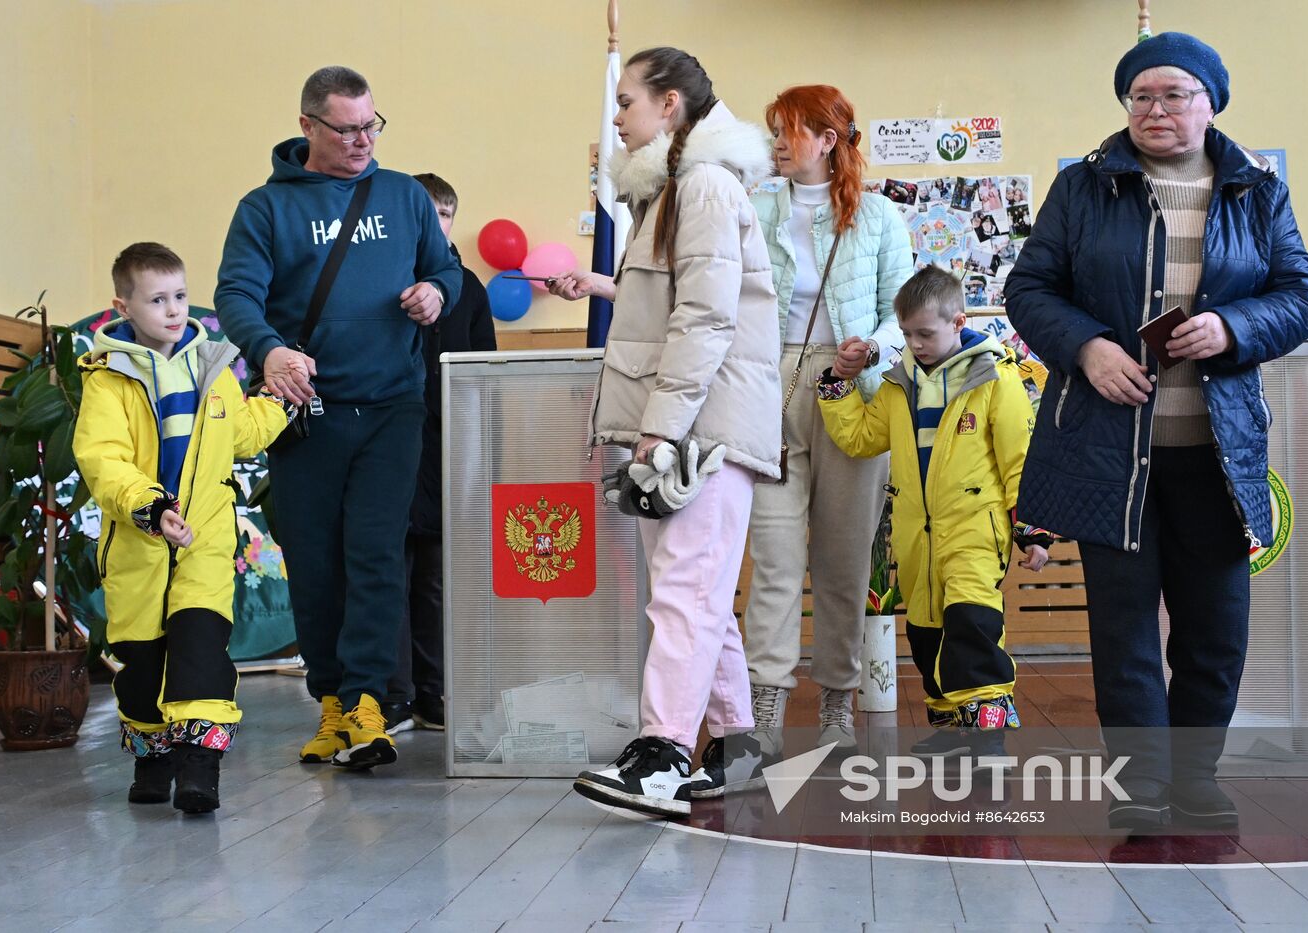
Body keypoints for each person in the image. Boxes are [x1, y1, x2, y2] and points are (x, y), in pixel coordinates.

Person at [1005, 32, 1308, 830]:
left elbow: (1302, 293)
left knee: (1215, 629)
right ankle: (1141, 786)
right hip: (1109, 451)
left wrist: (1233, 327)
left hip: (1219, 454)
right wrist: (1087, 347)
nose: (1155, 109)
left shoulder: (1258, 192)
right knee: (1124, 632)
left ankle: (1196, 779)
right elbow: (1029, 287)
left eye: (1174, 94)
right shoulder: (1082, 187)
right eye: (1141, 96)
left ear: (1211, 101)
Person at [546, 46, 780, 818]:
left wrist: (660, 432)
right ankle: (738, 745)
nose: (616, 118)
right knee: (698, 589)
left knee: (685, 592)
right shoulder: (673, 193)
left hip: (699, 428)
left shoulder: (704, 186)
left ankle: (663, 755)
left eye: (626, 101)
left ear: (670, 105)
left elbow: (706, 319)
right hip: (687, 424)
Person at [215, 65, 463, 771]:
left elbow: (444, 269)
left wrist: (435, 293)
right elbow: (236, 295)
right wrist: (269, 352)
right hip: (307, 412)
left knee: (377, 554)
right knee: (315, 562)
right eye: (347, 129)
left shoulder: (404, 194)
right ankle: (328, 702)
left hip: (392, 406)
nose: (362, 141)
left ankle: (367, 702)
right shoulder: (265, 210)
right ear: (308, 128)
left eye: (371, 125)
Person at [74, 243, 291, 813]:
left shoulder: (214, 366)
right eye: (156, 300)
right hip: (140, 542)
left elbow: (239, 433)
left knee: (200, 650)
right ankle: (153, 757)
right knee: (142, 664)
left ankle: (200, 768)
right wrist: (148, 506)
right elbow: (104, 459)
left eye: (180, 296)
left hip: (205, 539)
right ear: (122, 306)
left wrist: (279, 406)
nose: (173, 311)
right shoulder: (106, 380)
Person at [817, 265, 1049, 760]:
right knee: (927, 631)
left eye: (925, 333)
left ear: (958, 321)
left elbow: (1020, 460)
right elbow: (861, 438)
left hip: (974, 530)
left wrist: (1031, 530)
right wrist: (838, 383)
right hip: (916, 536)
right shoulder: (899, 386)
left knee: (972, 622)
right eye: (907, 334)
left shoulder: (994, 379)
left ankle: (988, 737)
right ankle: (950, 727)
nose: (915, 343)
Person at [741, 84, 912, 757]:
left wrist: (870, 345)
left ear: (828, 138)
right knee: (776, 560)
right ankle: (765, 712)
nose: (778, 144)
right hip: (767, 385)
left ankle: (839, 707)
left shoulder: (878, 218)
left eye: (790, 131)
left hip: (854, 390)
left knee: (843, 562)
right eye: (773, 131)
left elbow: (902, 309)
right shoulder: (751, 208)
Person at [381, 173, 497, 735]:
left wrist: (479, 445)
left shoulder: (467, 287)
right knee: (391, 572)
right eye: (429, 214)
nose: (439, 224)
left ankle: (435, 691)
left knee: (434, 576)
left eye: (447, 215)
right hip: (392, 441)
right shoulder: (385, 279)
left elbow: (486, 371)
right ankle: (393, 695)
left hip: (450, 446)